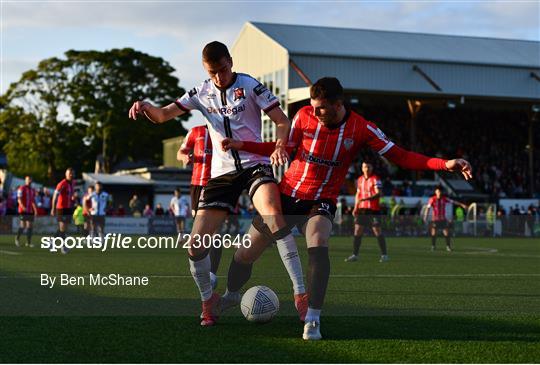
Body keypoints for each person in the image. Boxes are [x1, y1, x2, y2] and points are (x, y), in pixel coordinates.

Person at [222, 77, 472, 340]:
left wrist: (444, 164)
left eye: (321, 108)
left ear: (338, 105)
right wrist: (243, 145)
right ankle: (231, 293)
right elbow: (284, 147)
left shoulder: (361, 128)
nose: (315, 112)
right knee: (244, 254)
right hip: (287, 195)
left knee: (318, 241)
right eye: (312, 106)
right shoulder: (303, 116)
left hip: (321, 200)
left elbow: (401, 156)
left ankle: (313, 319)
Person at [128, 41, 307, 326]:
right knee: (194, 246)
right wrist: (146, 106)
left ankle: (301, 295)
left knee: (274, 214)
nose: (218, 78)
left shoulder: (250, 86)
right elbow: (162, 115)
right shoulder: (201, 91)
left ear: (231, 62)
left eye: (222, 70)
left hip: (254, 166)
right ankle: (208, 301)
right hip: (220, 175)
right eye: (212, 73)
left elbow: (283, 122)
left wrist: (279, 146)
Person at [177, 125, 223, 288]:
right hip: (197, 185)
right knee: (200, 233)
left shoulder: (224, 129)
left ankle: (211, 274)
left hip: (217, 184)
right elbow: (180, 152)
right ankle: (203, 272)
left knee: (216, 231)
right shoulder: (195, 132)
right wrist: (185, 158)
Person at [345, 162, 388, 263]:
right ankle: (355, 255)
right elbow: (358, 194)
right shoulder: (359, 180)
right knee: (357, 230)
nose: (367, 168)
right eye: (365, 167)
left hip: (373, 210)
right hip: (362, 209)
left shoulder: (375, 179)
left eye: (368, 166)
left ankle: (384, 255)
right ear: (362, 168)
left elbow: (379, 193)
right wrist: (355, 207)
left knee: (377, 231)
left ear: (372, 168)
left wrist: (365, 199)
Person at [423, 186, 468, 251]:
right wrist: (425, 216)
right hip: (435, 219)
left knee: (446, 233)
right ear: (435, 192)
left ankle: (448, 246)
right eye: (438, 191)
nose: (439, 193)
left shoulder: (444, 199)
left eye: (440, 191)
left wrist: (462, 205)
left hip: (443, 219)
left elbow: (454, 202)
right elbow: (428, 208)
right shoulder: (432, 199)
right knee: (434, 233)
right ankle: (433, 246)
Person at [51, 168, 76, 254]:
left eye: (72, 174)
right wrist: (53, 208)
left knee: (63, 228)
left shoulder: (72, 183)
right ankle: (63, 247)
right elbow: (55, 196)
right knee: (62, 228)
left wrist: (73, 199)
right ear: (66, 174)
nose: (71, 175)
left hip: (68, 208)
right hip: (61, 208)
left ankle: (52, 242)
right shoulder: (62, 184)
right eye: (69, 174)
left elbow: (70, 195)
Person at [16, 176, 38, 247]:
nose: (29, 181)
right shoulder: (21, 188)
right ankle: (17, 239)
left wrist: (35, 210)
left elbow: (33, 201)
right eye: (28, 180)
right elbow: (19, 199)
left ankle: (28, 242)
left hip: (30, 210)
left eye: (30, 179)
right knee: (23, 225)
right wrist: (22, 206)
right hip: (23, 210)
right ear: (25, 180)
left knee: (30, 226)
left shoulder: (32, 190)